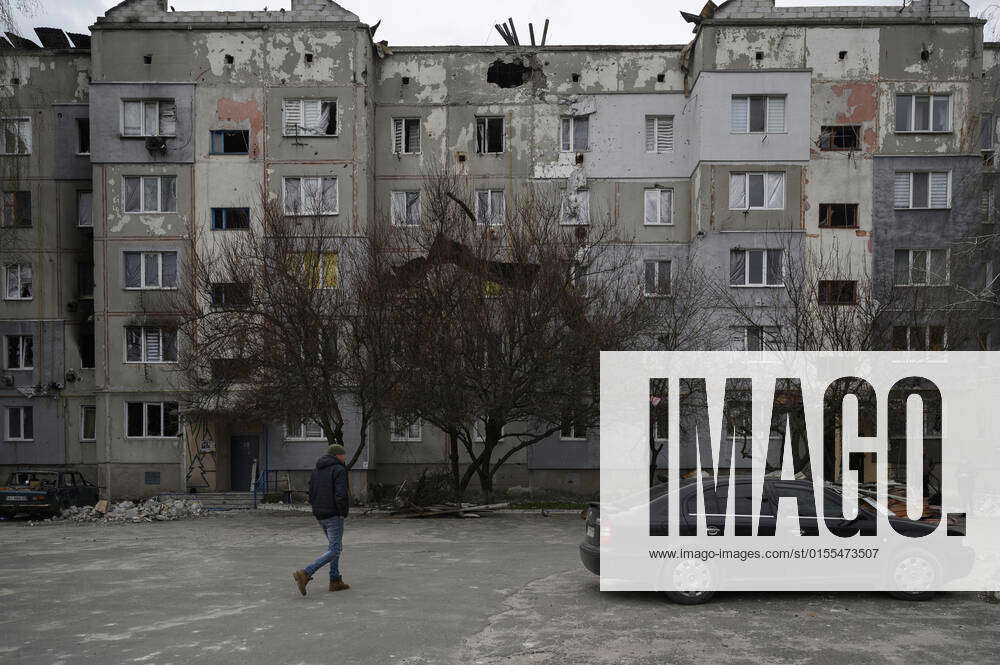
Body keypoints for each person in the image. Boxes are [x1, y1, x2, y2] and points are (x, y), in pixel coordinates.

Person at [293, 443, 350, 595]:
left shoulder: (316, 470)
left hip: (320, 514)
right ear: (338, 455)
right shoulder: (339, 469)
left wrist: (316, 508)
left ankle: (335, 580)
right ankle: (305, 573)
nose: (345, 457)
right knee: (335, 549)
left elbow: (310, 492)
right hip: (333, 514)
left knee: (334, 547)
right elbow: (341, 494)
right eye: (343, 454)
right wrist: (343, 511)